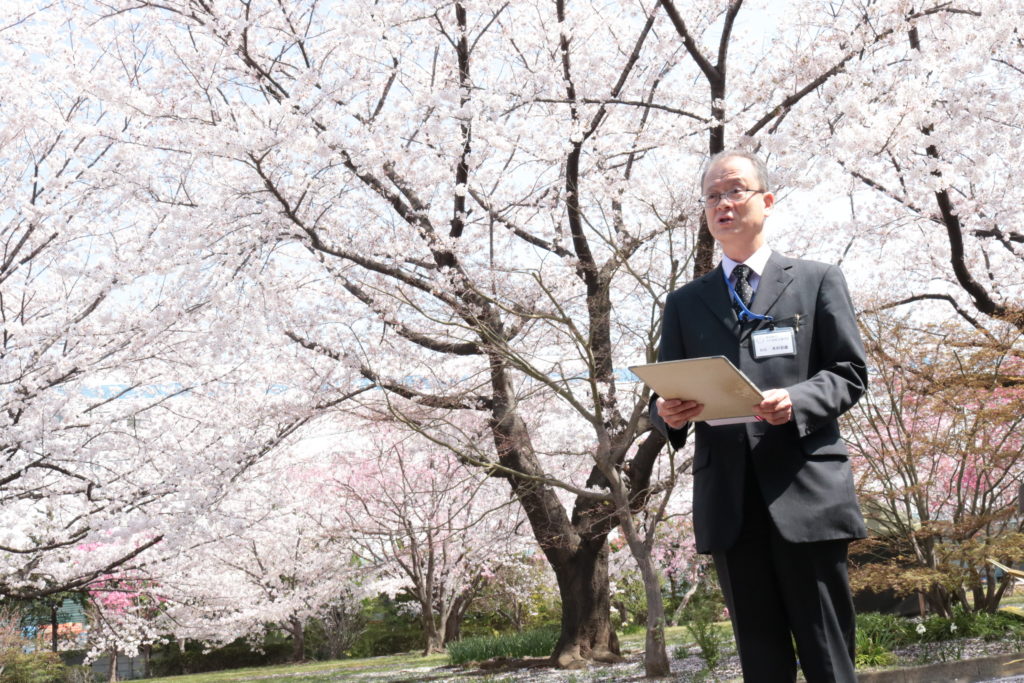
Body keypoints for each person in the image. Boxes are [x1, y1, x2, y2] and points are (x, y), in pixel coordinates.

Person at [651, 150, 868, 683]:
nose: (723, 204)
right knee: (761, 663)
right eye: (712, 196)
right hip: (729, 501)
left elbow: (848, 372)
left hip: (806, 491)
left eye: (735, 191)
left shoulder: (817, 281)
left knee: (828, 658)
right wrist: (669, 415)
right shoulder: (684, 302)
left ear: (767, 202)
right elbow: (668, 394)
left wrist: (797, 401)